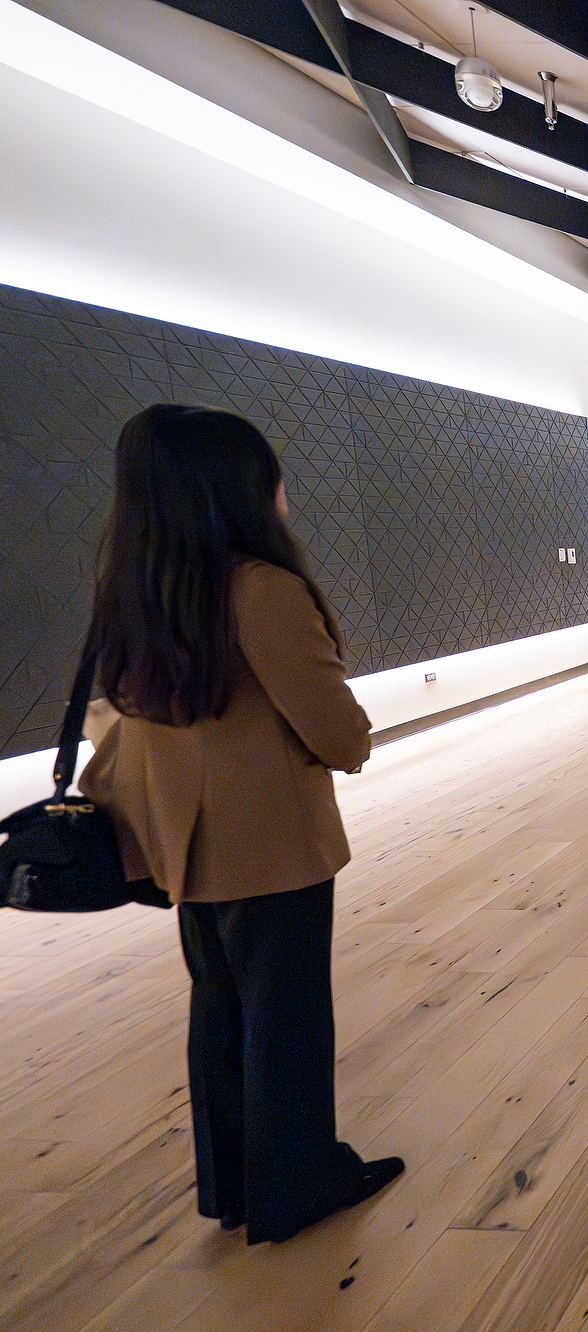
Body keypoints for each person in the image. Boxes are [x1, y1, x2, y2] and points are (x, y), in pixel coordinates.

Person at [77, 404, 402, 1245]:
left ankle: (234, 1189)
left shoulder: (131, 586)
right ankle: (297, 1184)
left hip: (181, 846)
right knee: (288, 1023)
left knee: (220, 1017)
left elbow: (107, 715)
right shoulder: (262, 589)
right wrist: (355, 742)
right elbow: (334, 727)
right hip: (273, 847)